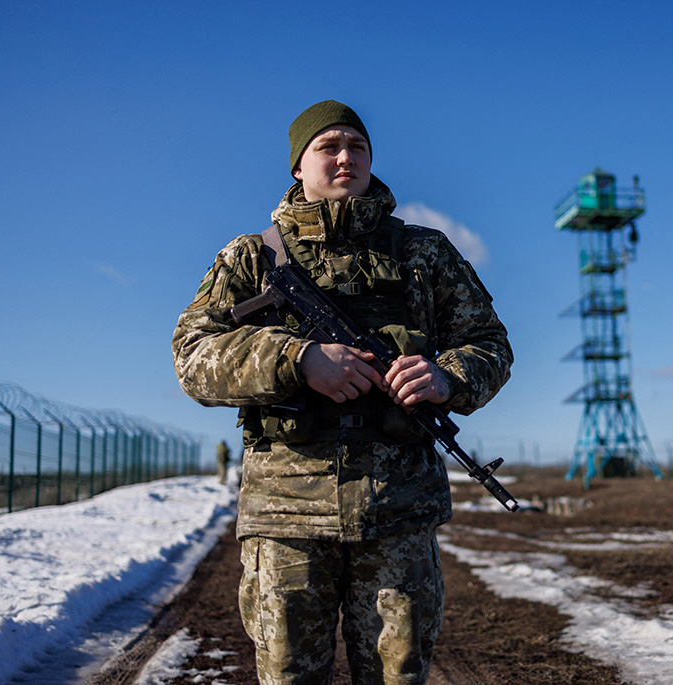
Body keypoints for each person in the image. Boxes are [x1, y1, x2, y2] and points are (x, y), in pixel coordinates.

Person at [171, 99, 512, 684]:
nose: (345, 157)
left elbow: (490, 345)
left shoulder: (423, 253)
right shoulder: (252, 257)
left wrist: (446, 376)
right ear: (298, 167)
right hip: (287, 516)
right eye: (328, 147)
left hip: (397, 513)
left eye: (357, 146)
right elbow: (192, 356)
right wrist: (296, 359)